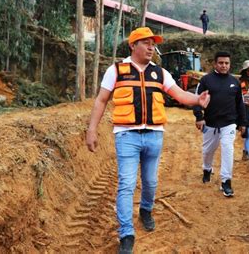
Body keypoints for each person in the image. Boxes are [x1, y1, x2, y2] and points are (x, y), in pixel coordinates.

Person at [85, 27, 210, 253]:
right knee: (126, 184)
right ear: (133, 46)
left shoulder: (160, 73)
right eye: (146, 42)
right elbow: (101, 100)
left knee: (151, 183)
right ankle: (126, 234)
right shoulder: (116, 70)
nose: (152, 47)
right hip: (126, 136)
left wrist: (197, 100)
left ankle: (145, 209)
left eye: (153, 43)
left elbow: (179, 95)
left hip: (154, 135)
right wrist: (91, 130)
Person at [193, 51, 247, 197]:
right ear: (215, 64)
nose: (224, 66)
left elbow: (240, 104)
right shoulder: (206, 80)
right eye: (221, 63)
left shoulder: (235, 82)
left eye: (227, 63)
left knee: (228, 149)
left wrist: (242, 122)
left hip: (229, 123)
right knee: (207, 151)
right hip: (210, 123)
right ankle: (207, 168)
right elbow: (197, 99)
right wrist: (199, 117)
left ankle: (226, 182)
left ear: (230, 64)